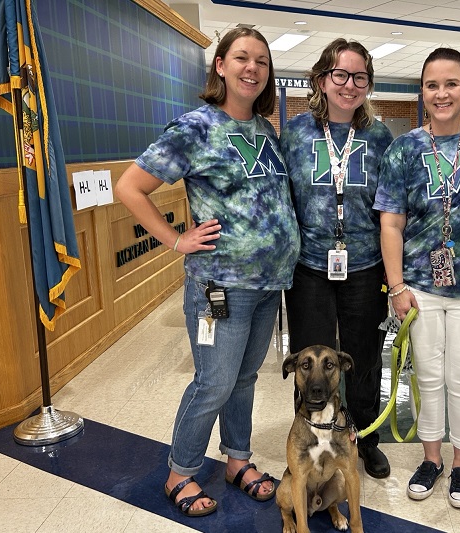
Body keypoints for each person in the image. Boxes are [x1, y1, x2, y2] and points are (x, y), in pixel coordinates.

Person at [114, 28, 300, 517]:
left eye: (261, 60)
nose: (252, 68)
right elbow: (130, 187)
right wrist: (177, 240)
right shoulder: (194, 128)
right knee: (213, 382)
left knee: (243, 379)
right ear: (220, 65)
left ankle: (238, 460)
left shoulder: (264, 132)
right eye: (241, 57)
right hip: (221, 285)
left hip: (268, 284)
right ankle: (181, 471)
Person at [374, 48, 460, 509]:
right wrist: (397, 288)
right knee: (428, 378)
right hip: (419, 287)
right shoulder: (403, 148)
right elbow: (390, 223)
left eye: (452, 84)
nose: (442, 93)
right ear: (422, 92)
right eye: (432, 85)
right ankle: (431, 459)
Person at [280, 38, 394, 478]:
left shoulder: (380, 137)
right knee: (310, 360)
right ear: (322, 79)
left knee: (363, 356)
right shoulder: (295, 134)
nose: (349, 84)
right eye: (340, 75)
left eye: (359, 76)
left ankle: (362, 439)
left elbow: (390, 207)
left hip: (365, 267)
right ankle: (307, 442)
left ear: (367, 83)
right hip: (309, 266)